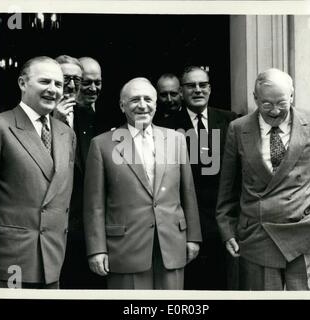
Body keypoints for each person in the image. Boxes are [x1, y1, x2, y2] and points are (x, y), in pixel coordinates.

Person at [216, 68, 310, 290]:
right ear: (255, 98)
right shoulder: (238, 129)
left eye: (282, 102)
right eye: (266, 104)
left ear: (292, 95)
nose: (275, 111)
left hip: (308, 233)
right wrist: (227, 229)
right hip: (258, 237)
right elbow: (228, 185)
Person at [83, 77, 202, 289]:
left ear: (156, 104)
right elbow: (95, 205)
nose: (142, 105)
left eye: (148, 99)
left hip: (172, 243)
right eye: (134, 100)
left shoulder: (176, 139)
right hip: (125, 247)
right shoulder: (101, 144)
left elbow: (188, 193)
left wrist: (194, 236)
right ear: (122, 105)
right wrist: (97, 249)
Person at [0, 56, 76, 289]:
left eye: (58, 84)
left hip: (52, 258)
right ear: (22, 83)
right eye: (45, 82)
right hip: (10, 259)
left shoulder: (66, 133)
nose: (53, 90)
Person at [163, 66, 238, 290]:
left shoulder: (230, 121)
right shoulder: (167, 126)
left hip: (225, 222)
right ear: (182, 91)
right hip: (187, 223)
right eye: (190, 86)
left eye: (202, 85)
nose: (197, 90)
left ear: (210, 89)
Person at [54, 55, 105, 289]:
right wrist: (56, 123)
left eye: (77, 80)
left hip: (83, 230)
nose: (72, 87)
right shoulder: (37, 120)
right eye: (65, 80)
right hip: (50, 229)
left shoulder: (91, 118)